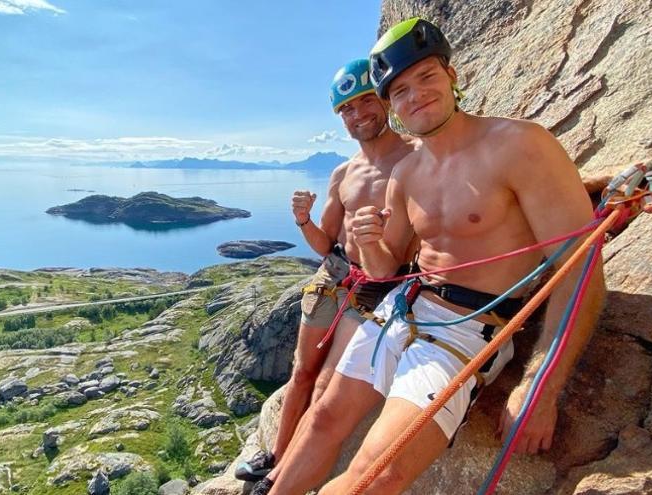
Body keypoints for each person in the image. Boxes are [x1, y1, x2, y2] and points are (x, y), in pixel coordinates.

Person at [261, 17, 607, 495]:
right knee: (322, 419)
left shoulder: (520, 145)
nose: (416, 96)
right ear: (392, 104)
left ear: (452, 75)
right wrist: (371, 242)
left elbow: (580, 269)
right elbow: (385, 269)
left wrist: (539, 385)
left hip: (468, 328)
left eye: (426, 77)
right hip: (401, 307)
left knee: (378, 473)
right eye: (400, 90)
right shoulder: (407, 174)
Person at [235, 59, 419, 487]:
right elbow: (325, 243)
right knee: (301, 373)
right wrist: (303, 220)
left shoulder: (416, 158)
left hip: (377, 287)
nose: (358, 114)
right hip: (333, 277)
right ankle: (275, 455)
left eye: (365, 101)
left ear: (385, 101)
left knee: (323, 388)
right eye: (347, 109)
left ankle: (280, 478)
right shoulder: (344, 172)